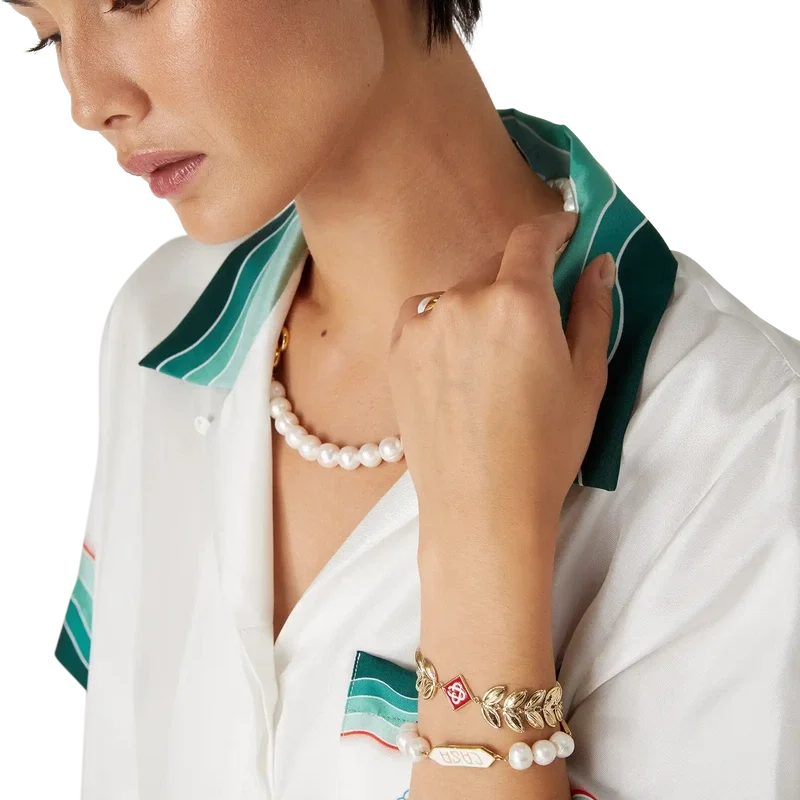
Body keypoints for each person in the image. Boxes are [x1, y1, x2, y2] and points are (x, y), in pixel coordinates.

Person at [10, 0, 797, 798]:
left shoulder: (744, 444)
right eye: (48, 36)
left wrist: (485, 557)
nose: (87, 102)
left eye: (133, 0)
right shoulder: (156, 323)